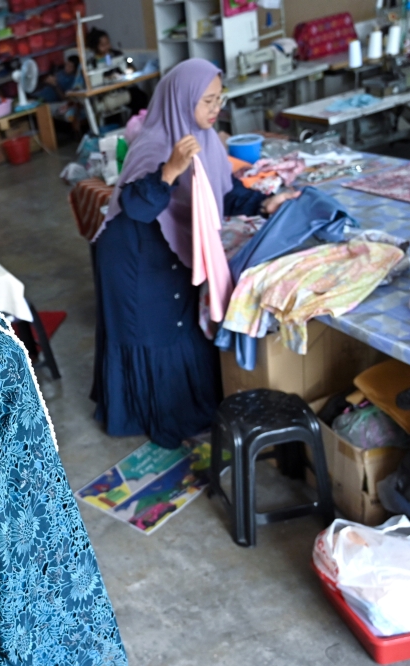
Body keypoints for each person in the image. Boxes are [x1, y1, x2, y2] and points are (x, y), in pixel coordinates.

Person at [91, 59, 299, 448]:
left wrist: (264, 203)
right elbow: (136, 207)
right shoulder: (155, 144)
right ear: (182, 100)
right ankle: (148, 412)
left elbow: (224, 194)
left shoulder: (204, 139)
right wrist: (169, 171)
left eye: (220, 98)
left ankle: (187, 404)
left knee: (182, 324)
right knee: (154, 328)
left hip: (166, 245)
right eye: (207, 100)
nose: (216, 108)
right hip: (134, 253)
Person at [85, 28, 148, 112]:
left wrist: (129, 69)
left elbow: (129, 63)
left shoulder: (117, 54)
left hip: (123, 88)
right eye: (102, 45)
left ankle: (137, 118)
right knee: (135, 98)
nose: (107, 47)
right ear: (95, 47)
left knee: (141, 97)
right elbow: (94, 82)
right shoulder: (92, 63)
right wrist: (108, 78)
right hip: (107, 94)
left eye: (108, 43)